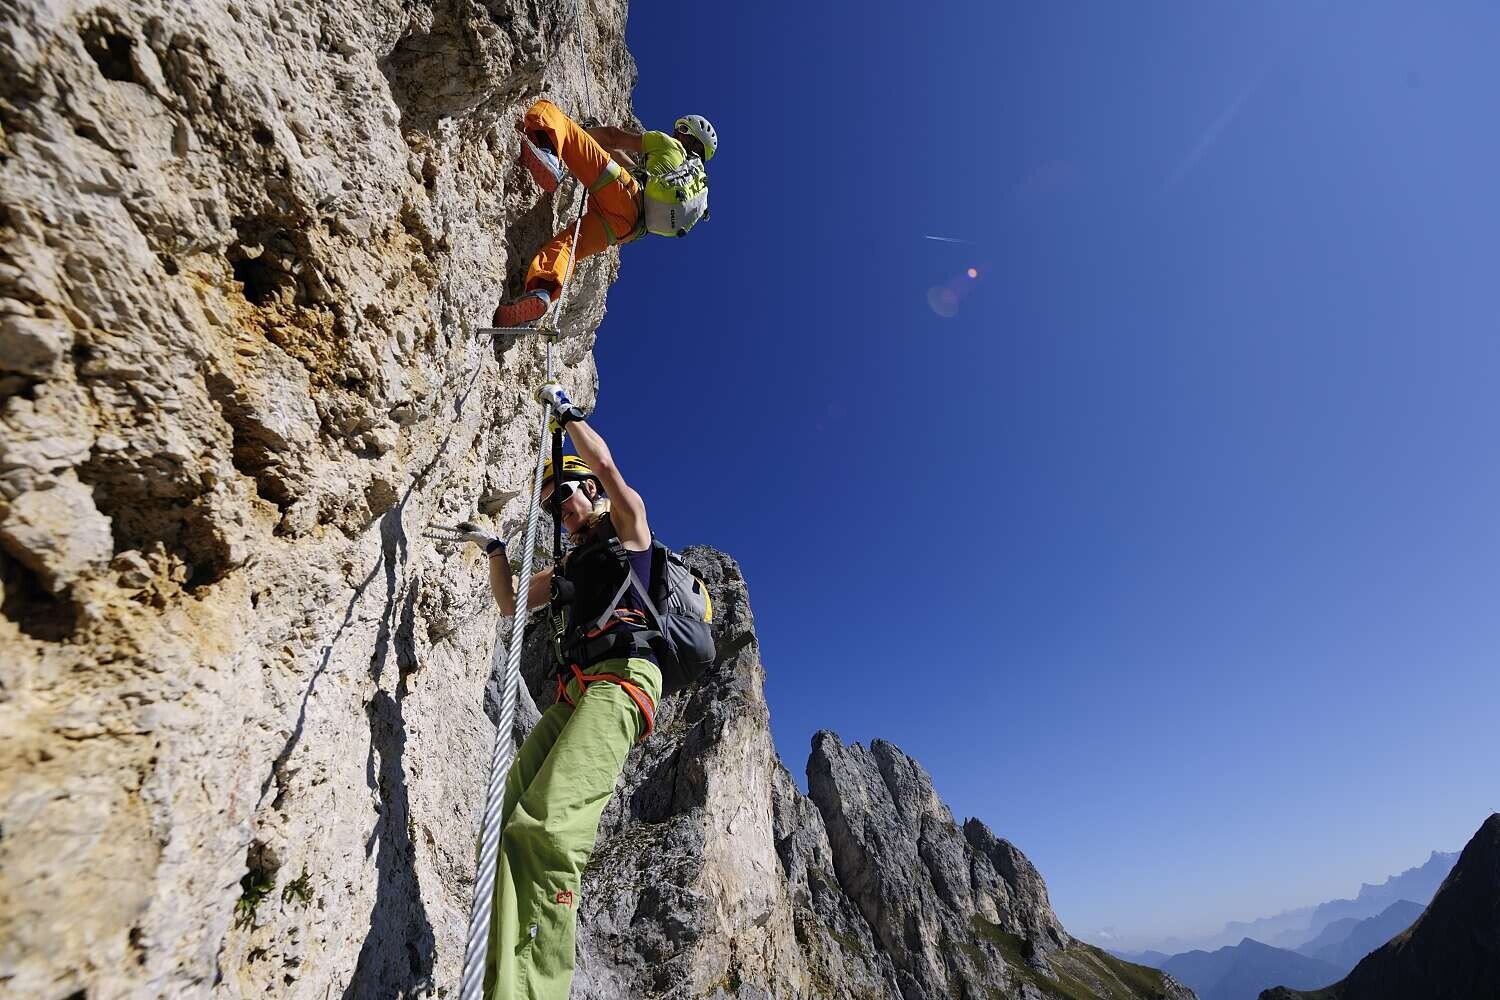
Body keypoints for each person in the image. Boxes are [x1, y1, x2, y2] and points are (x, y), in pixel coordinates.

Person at [458, 384, 663, 999]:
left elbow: (607, 467)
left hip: (623, 680)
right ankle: (500, 983)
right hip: (577, 691)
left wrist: (569, 415)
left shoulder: (629, 531)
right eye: (552, 503)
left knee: (545, 831)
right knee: (504, 820)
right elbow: (509, 601)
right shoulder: (569, 565)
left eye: (567, 494)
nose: (562, 508)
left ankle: (534, 989)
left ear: (590, 491)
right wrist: (497, 550)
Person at [492, 99, 718, 327]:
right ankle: (541, 291)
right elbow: (624, 164)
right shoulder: (678, 180)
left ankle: (548, 151)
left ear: (690, 136)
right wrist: (599, 145)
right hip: (627, 228)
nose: (675, 132)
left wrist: (586, 132)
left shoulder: (668, 144)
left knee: (552, 115)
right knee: (570, 246)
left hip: (626, 194)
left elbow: (612, 137)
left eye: (681, 129)